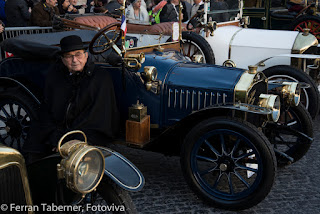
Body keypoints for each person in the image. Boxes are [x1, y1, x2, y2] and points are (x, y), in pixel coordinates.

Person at [23, 35, 120, 163]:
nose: (74, 60)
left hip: (87, 130)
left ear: (86, 56)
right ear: (63, 60)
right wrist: (55, 136)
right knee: (35, 149)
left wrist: (71, 137)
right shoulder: (55, 75)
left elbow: (97, 115)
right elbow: (47, 108)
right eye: (69, 56)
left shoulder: (100, 77)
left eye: (78, 54)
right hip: (58, 128)